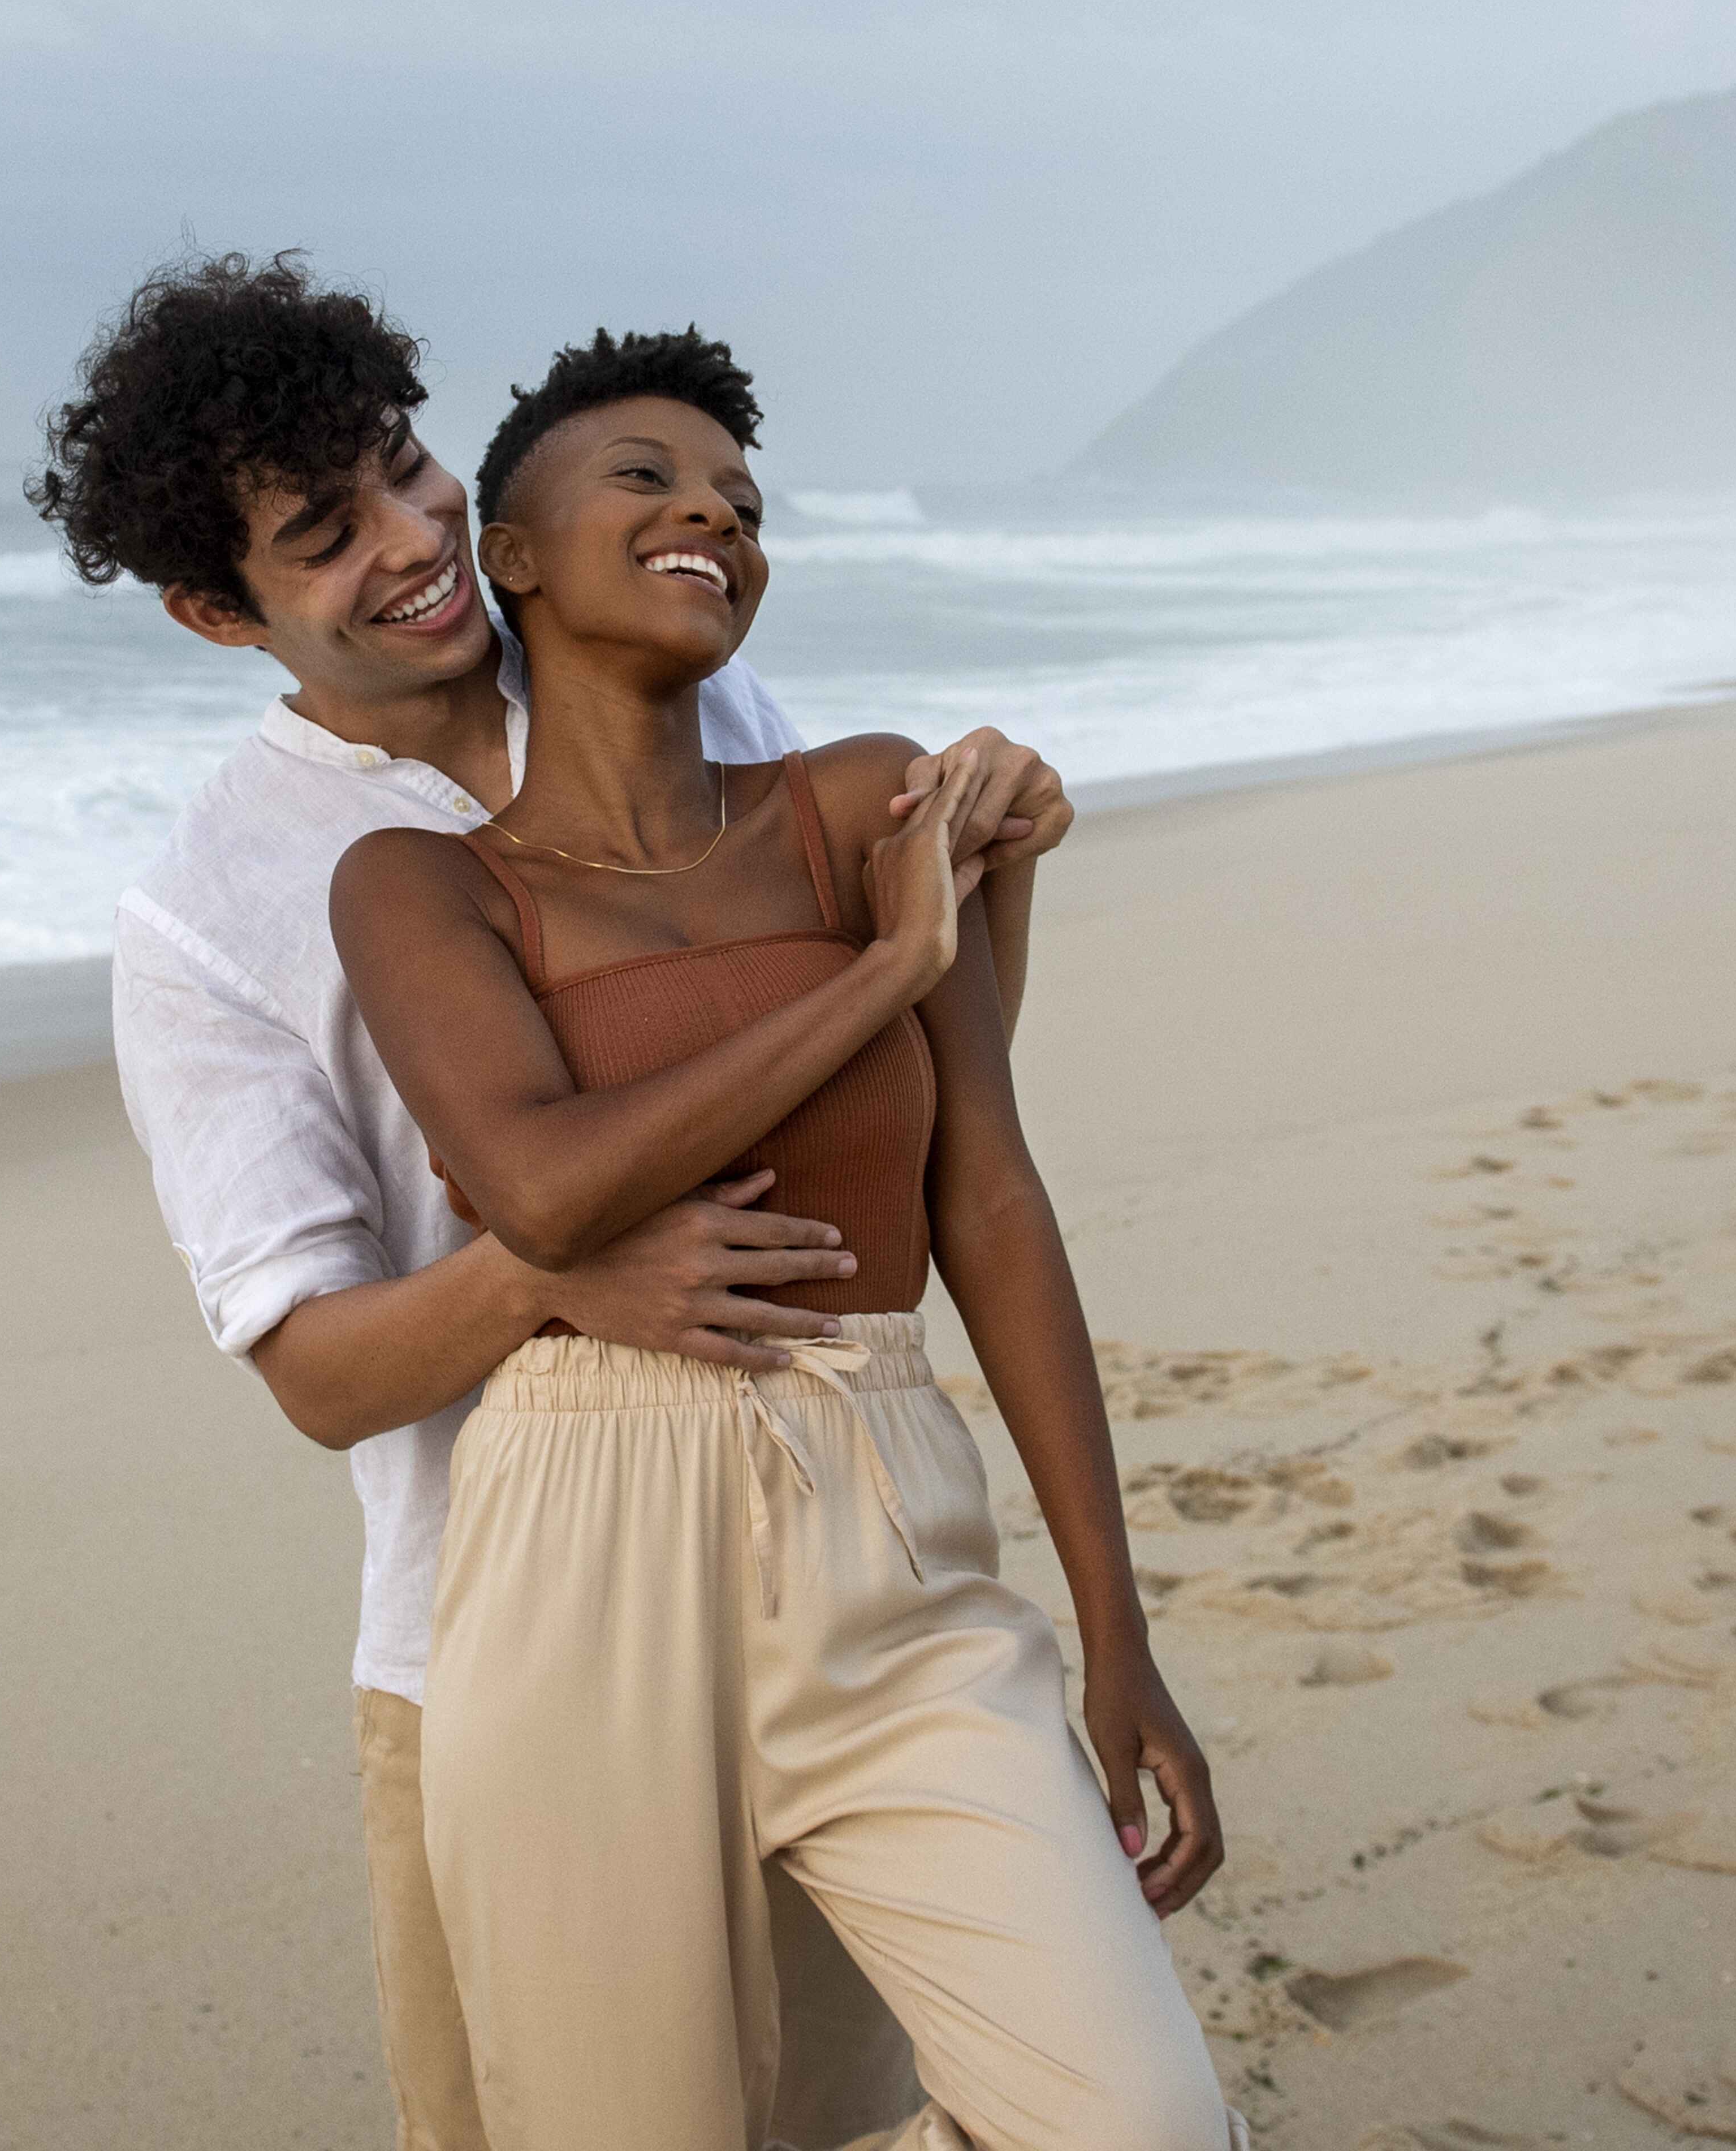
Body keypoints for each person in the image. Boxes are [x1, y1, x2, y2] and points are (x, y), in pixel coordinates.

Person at [41, 254, 1081, 2149]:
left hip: (824, 1542)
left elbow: (912, 1091)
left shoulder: (683, 681)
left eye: (412, 473)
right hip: (490, 1637)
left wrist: (990, 846)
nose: (411, 541)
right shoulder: (206, 921)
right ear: (219, 612)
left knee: (855, 2106)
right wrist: (556, 1276)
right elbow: (316, 1370)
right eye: (324, 534)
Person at [329, 327, 1240, 2151]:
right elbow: (551, 1192)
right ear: (510, 553)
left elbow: (984, 1201)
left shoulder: (856, 804)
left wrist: (1116, 1633)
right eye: (648, 481)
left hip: (888, 1528)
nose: (713, 520)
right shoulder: (421, 884)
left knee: (1135, 2122)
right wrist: (898, 969)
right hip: (576, 1559)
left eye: (743, 504)